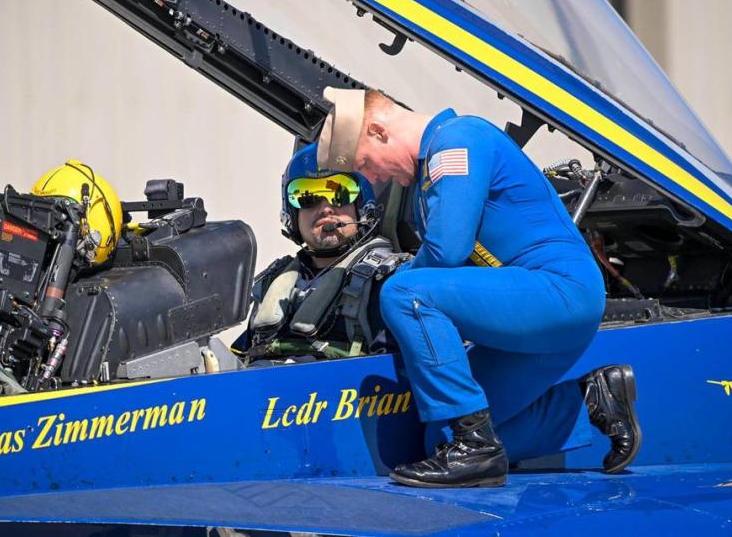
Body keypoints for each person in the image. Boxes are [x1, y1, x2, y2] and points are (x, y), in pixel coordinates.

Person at [316, 87, 641, 488]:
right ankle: (590, 401)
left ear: (379, 130)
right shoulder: (425, 176)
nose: (373, 178)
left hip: (559, 294)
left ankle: (477, 447)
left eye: (366, 163)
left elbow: (448, 250)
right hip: (528, 312)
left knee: (405, 293)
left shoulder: (457, 140)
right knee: (441, 437)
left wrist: (397, 299)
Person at [233, 143, 408, 365]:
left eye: (340, 193)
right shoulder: (270, 283)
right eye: (307, 197)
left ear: (362, 206)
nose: (326, 208)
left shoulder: (385, 282)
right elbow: (233, 365)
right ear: (292, 214)